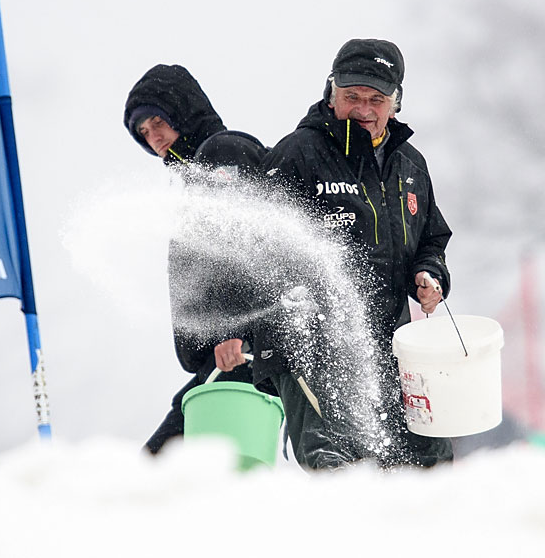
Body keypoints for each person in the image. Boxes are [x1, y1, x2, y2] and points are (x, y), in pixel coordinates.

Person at [255, 38, 453, 469]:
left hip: (389, 343)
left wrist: (429, 273)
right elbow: (257, 245)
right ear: (332, 94)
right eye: (352, 97)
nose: (364, 108)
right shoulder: (298, 154)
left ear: (395, 104)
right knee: (339, 466)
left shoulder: (410, 165)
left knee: (426, 462)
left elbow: (430, 240)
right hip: (310, 344)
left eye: (376, 99)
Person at [123, 63, 270, 455]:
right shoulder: (193, 176)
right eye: (143, 132)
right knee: (189, 467)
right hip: (225, 357)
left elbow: (243, 244)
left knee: (167, 463)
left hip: (243, 349)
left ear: (183, 113)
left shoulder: (223, 154)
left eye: (158, 122)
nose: (153, 137)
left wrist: (233, 329)